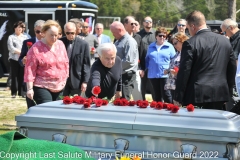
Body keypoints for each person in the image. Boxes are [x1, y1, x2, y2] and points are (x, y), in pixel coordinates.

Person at [174, 11, 236, 110]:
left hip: (197, 95)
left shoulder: (190, 43)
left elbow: (184, 71)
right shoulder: (225, 41)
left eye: (188, 28)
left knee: (198, 125)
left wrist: (178, 96)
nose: (189, 31)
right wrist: (228, 91)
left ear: (193, 26)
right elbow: (232, 68)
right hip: (219, 93)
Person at [24, 20, 69, 105]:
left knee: (57, 112)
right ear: (44, 33)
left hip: (60, 85)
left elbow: (66, 62)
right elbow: (30, 70)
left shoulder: (60, 44)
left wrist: (65, 78)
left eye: (56, 35)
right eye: (51, 35)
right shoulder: (35, 48)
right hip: (42, 85)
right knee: (47, 110)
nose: (54, 38)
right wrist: (29, 89)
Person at [18, 19, 45, 108]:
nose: (40, 34)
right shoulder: (27, 42)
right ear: (34, 30)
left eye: (42, 32)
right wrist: (23, 61)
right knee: (31, 104)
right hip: (30, 78)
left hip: (43, 79)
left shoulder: (48, 43)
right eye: (38, 32)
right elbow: (21, 58)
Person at [60, 22, 91, 96]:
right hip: (62, 80)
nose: (70, 35)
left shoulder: (83, 44)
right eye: (68, 33)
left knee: (76, 103)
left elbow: (86, 64)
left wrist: (85, 81)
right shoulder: (60, 42)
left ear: (76, 31)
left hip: (76, 79)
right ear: (64, 32)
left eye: (72, 33)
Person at [145, 27, 175, 103]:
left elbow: (174, 60)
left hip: (165, 74)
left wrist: (170, 70)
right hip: (153, 74)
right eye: (160, 35)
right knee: (156, 95)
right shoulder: (151, 46)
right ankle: (158, 112)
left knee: (166, 94)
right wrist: (148, 68)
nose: (162, 37)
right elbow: (147, 59)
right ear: (156, 36)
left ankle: (170, 110)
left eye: (164, 36)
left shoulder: (170, 46)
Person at [110, 21, 138, 100]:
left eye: (114, 32)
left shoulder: (129, 41)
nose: (113, 34)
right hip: (120, 74)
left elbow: (128, 60)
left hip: (126, 76)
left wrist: (113, 66)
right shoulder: (119, 40)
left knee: (124, 99)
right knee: (118, 99)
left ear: (119, 30)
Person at [7, 21, 31, 98]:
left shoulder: (26, 37)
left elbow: (30, 46)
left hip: (23, 59)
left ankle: (22, 92)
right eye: (18, 27)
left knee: (22, 75)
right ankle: (14, 92)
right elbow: (11, 48)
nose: (19, 29)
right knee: (14, 76)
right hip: (14, 59)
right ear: (15, 28)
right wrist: (20, 52)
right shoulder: (11, 37)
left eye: (21, 27)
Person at [123, 16, 143, 100]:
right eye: (132, 23)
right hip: (124, 70)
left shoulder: (138, 37)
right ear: (125, 24)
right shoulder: (121, 38)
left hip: (136, 69)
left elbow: (142, 54)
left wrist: (142, 68)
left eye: (135, 23)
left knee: (137, 91)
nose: (134, 25)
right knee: (124, 93)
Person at [164, 32, 189, 98]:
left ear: (182, 41)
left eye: (176, 43)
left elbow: (187, 68)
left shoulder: (186, 53)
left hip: (181, 84)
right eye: (173, 44)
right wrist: (168, 70)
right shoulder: (177, 53)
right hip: (173, 84)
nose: (174, 46)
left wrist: (177, 72)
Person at [137, 16, 156, 100]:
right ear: (143, 23)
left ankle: (156, 103)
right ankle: (142, 102)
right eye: (147, 21)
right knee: (142, 85)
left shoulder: (156, 34)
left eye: (150, 21)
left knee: (153, 86)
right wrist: (140, 67)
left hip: (153, 64)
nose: (149, 23)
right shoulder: (138, 35)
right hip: (143, 64)